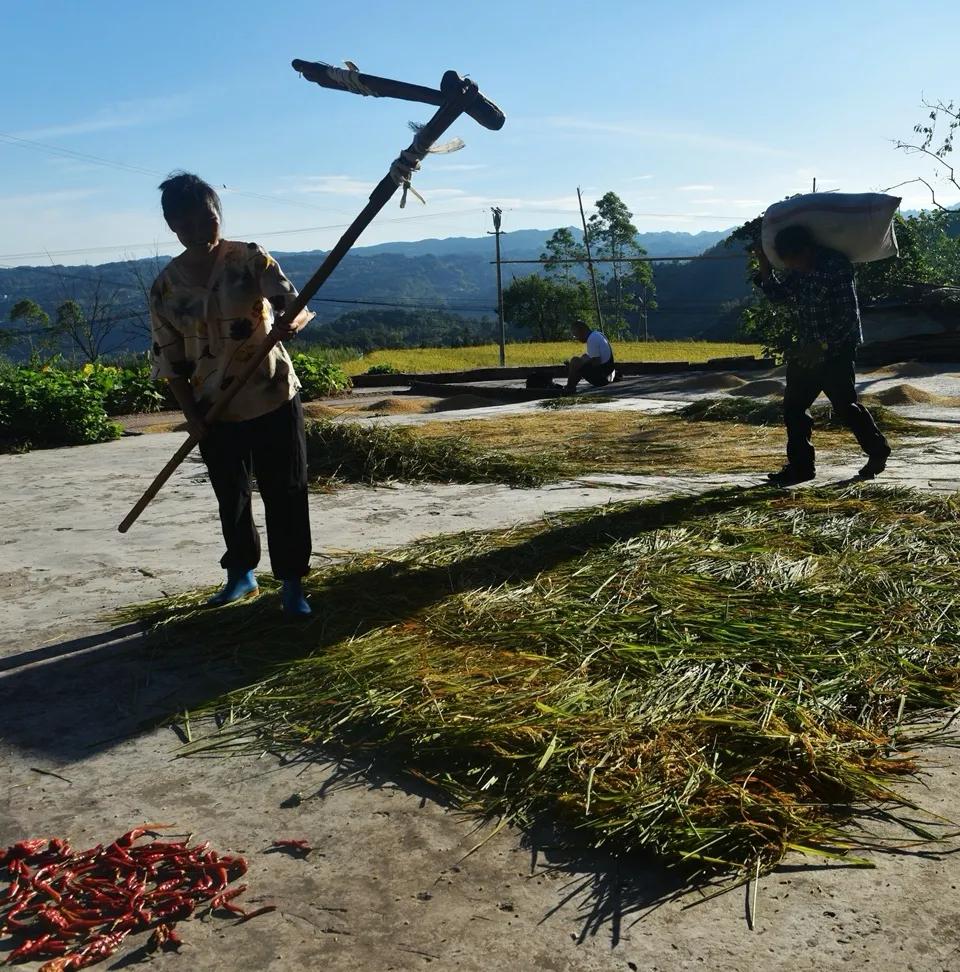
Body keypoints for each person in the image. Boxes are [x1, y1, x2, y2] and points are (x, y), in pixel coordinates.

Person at [149, 172, 315, 615]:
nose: (202, 231)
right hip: (213, 407)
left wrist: (290, 325)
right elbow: (170, 362)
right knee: (231, 493)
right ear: (172, 226)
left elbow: (292, 304)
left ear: (218, 215)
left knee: (287, 489)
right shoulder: (165, 288)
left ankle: (292, 584)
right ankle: (241, 574)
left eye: (209, 220)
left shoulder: (248, 258)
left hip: (272, 391)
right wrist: (193, 417)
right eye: (189, 224)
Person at [754, 225, 890, 487]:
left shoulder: (835, 267)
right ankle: (801, 468)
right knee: (794, 408)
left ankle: (878, 450)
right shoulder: (798, 269)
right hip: (807, 351)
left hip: (837, 350)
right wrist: (764, 267)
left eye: (793, 260)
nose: (792, 266)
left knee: (844, 406)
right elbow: (779, 296)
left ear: (805, 250)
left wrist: (823, 345)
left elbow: (848, 316)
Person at [565, 318, 615, 394]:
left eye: (576, 336)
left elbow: (596, 362)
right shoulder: (597, 334)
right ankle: (571, 386)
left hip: (603, 379)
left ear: (581, 331)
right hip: (608, 374)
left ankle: (569, 388)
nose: (577, 339)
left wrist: (578, 366)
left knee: (575, 361)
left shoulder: (592, 339)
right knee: (583, 357)